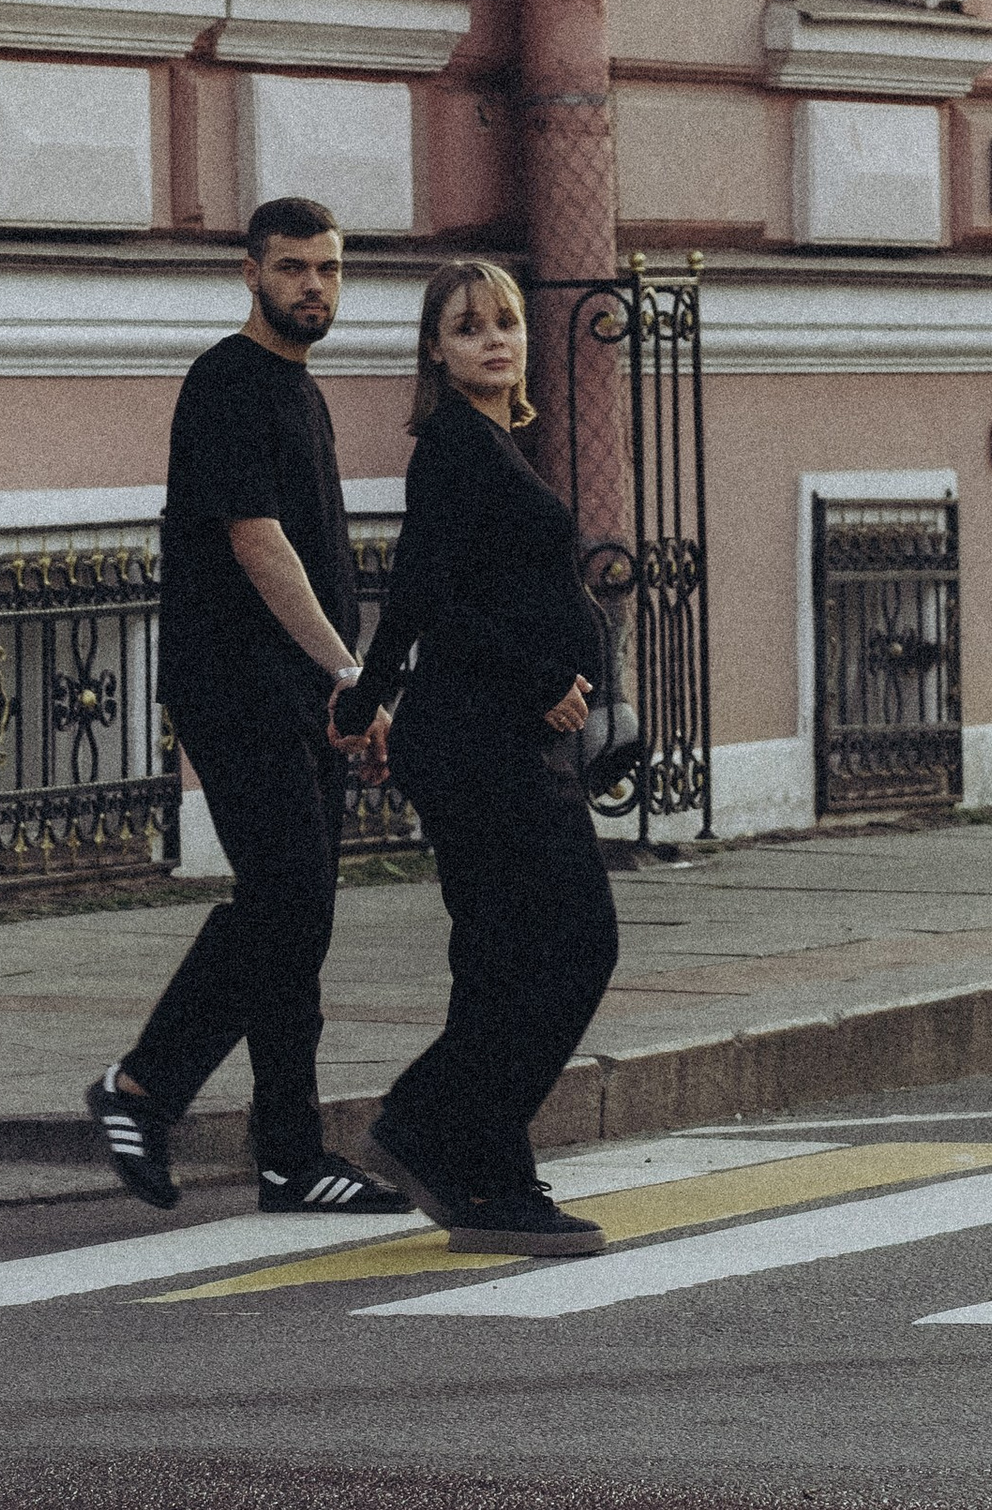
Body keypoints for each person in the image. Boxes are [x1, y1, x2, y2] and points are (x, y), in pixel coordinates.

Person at [86, 196, 407, 1219]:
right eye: (292, 268)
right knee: (289, 903)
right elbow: (256, 541)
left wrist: (344, 692)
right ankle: (141, 1088)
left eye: (328, 269)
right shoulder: (227, 380)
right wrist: (347, 670)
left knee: (295, 918)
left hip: (300, 695)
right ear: (249, 273)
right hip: (235, 686)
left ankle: (289, 1157)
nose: (313, 286)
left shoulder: (301, 392)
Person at [331, 260, 621, 1259]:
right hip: (480, 744)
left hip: (497, 742)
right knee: (573, 944)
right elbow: (427, 596)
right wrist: (536, 677)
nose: (495, 339)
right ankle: (433, 1128)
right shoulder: (455, 446)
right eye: (467, 328)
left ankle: (485, 1166)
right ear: (434, 351)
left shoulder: (489, 444)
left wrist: (367, 699)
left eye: (504, 322)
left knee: (502, 963)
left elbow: (439, 590)